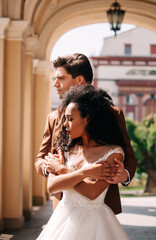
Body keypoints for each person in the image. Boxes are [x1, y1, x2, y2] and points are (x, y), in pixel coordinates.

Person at [35, 53, 137, 214]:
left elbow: (129, 156)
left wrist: (123, 175)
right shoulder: (53, 118)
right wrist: (50, 167)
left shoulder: (112, 114)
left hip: (101, 207)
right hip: (63, 206)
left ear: (80, 80)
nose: (55, 84)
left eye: (61, 78)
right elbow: (40, 159)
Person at [37, 84, 130, 240]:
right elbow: (52, 185)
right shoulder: (64, 148)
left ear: (88, 119)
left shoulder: (113, 153)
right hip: (61, 221)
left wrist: (62, 170)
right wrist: (85, 172)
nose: (65, 124)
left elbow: (92, 193)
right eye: (65, 119)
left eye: (70, 119)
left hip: (96, 226)